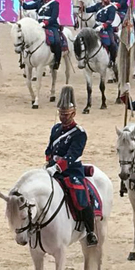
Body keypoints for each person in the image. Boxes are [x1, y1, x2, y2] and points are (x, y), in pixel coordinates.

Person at [45, 86, 98, 246]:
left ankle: (90, 231)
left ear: (73, 113)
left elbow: (72, 155)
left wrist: (57, 167)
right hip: (52, 167)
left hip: (71, 170)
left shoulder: (79, 133)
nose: (63, 118)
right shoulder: (56, 128)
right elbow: (49, 148)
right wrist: (49, 161)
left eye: (66, 115)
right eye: (61, 114)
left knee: (80, 196)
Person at [20, 0, 64, 70]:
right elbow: (26, 6)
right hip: (39, 25)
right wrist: (20, 0)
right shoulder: (39, 2)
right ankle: (24, 59)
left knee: (57, 41)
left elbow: (54, 17)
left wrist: (46, 23)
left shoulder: (54, 3)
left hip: (51, 25)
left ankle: (56, 61)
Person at [86, 0, 120, 67]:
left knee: (113, 44)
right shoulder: (98, 5)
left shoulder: (112, 8)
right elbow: (88, 10)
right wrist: (82, 4)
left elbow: (110, 20)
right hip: (96, 25)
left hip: (107, 28)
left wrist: (102, 26)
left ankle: (112, 60)